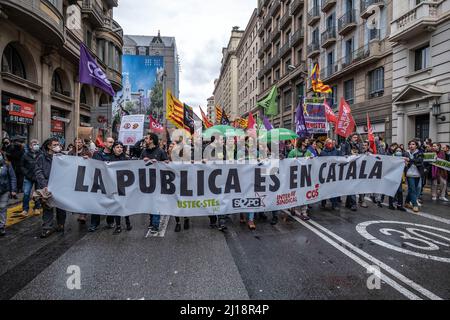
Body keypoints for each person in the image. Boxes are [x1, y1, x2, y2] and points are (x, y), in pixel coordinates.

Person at [35, 138, 67, 238]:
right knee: (47, 207)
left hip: (60, 186)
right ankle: (47, 228)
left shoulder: (63, 156)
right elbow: (38, 171)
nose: (58, 146)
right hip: (47, 186)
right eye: (55, 144)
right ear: (49, 146)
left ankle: (61, 224)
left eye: (58, 144)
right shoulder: (41, 157)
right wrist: (44, 185)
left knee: (61, 207)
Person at [140, 132, 169, 234]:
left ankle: (155, 224)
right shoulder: (144, 151)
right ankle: (152, 221)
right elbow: (137, 166)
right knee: (149, 202)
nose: (145, 140)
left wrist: (159, 162)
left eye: (147, 138)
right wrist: (143, 161)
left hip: (158, 181)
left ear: (151, 140)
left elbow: (167, 163)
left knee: (155, 203)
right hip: (146, 182)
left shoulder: (160, 151)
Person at [88, 137, 115, 232]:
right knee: (96, 203)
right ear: (104, 143)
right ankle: (94, 223)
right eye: (110, 142)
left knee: (111, 202)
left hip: (111, 183)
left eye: (113, 142)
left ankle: (110, 221)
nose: (111, 144)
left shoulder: (115, 154)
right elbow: (91, 165)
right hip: (99, 182)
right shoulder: (97, 154)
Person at [109, 141, 132, 234]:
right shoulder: (109, 159)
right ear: (113, 149)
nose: (120, 149)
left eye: (121, 147)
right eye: (117, 147)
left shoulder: (126, 159)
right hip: (113, 185)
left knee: (124, 205)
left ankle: (127, 221)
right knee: (116, 206)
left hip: (124, 185)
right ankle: (118, 225)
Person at [167, 141, 190, 232]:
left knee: (184, 201)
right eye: (172, 146)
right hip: (173, 183)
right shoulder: (168, 157)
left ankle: (186, 218)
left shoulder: (184, 156)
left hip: (184, 181)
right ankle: (178, 223)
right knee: (175, 203)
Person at [68, 138, 93, 224]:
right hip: (74, 176)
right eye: (76, 142)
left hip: (84, 176)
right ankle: (78, 211)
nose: (78, 143)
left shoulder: (88, 152)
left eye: (80, 142)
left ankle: (83, 214)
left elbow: (93, 163)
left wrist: (88, 159)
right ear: (74, 143)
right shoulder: (71, 153)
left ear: (82, 143)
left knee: (84, 195)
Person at [289, 138, 313, 220]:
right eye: (306, 141)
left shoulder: (308, 152)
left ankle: (304, 212)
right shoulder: (293, 152)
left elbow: (313, 161)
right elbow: (287, 163)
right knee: (295, 193)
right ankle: (293, 207)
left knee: (304, 193)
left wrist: (312, 159)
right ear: (302, 142)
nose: (307, 142)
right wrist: (293, 160)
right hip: (295, 176)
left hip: (305, 176)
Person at [19, 139, 42, 217]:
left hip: (38, 177)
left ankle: (37, 208)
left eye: (37, 144)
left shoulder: (41, 154)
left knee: (38, 193)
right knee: (26, 193)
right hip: (28, 177)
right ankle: (25, 209)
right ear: (30, 146)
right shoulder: (25, 155)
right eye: (34, 144)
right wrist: (26, 173)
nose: (36, 145)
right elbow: (21, 166)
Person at [320, 138, 341, 211]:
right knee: (325, 188)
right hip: (326, 173)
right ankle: (323, 202)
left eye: (331, 143)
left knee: (333, 189)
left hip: (334, 173)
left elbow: (342, 158)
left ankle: (334, 204)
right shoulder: (323, 152)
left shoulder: (337, 151)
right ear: (326, 144)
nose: (331, 145)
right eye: (329, 143)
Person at [0, 151, 17, 236]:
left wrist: (13, 190)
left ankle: (1, 226)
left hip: (4, 190)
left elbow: (12, 177)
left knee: (2, 208)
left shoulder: (7, 164)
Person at [404, 140, 424, 213]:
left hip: (418, 174)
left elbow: (419, 160)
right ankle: (415, 205)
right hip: (409, 174)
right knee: (412, 189)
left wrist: (409, 160)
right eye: (410, 144)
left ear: (416, 145)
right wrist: (405, 162)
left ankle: (406, 202)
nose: (411, 145)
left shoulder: (420, 153)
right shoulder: (406, 153)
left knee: (412, 189)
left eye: (413, 144)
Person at [388, 147, 407, 211]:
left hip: (400, 177)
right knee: (392, 190)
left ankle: (400, 205)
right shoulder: (391, 158)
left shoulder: (403, 159)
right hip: (392, 176)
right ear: (394, 151)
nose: (398, 152)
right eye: (397, 150)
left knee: (399, 191)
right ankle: (390, 204)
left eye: (400, 150)